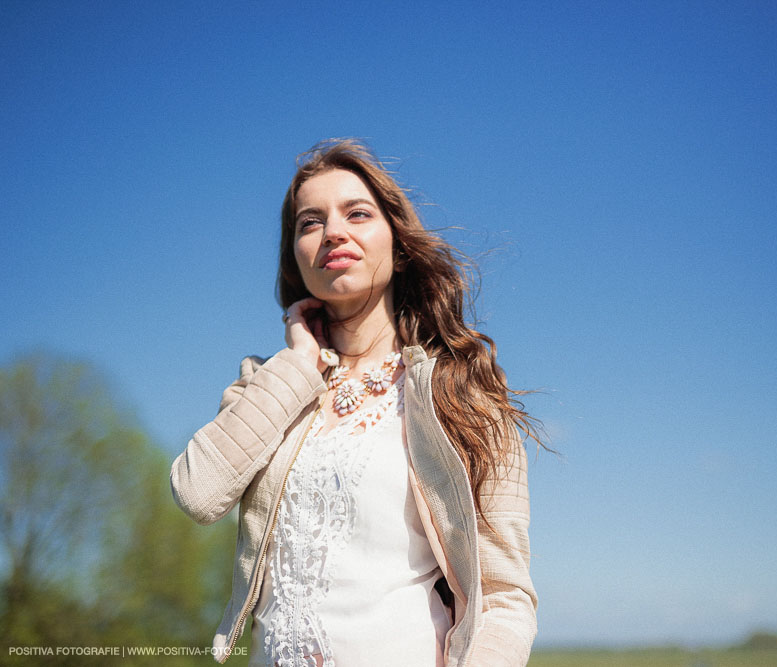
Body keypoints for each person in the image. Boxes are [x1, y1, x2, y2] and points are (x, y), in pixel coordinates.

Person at [169, 139, 542, 667]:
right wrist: (301, 363)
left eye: (357, 213)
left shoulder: (463, 395)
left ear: (398, 242)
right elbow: (197, 492)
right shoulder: (267, 383)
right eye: (309, 222)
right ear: (296, 258)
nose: (333, 232)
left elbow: (504, 596)